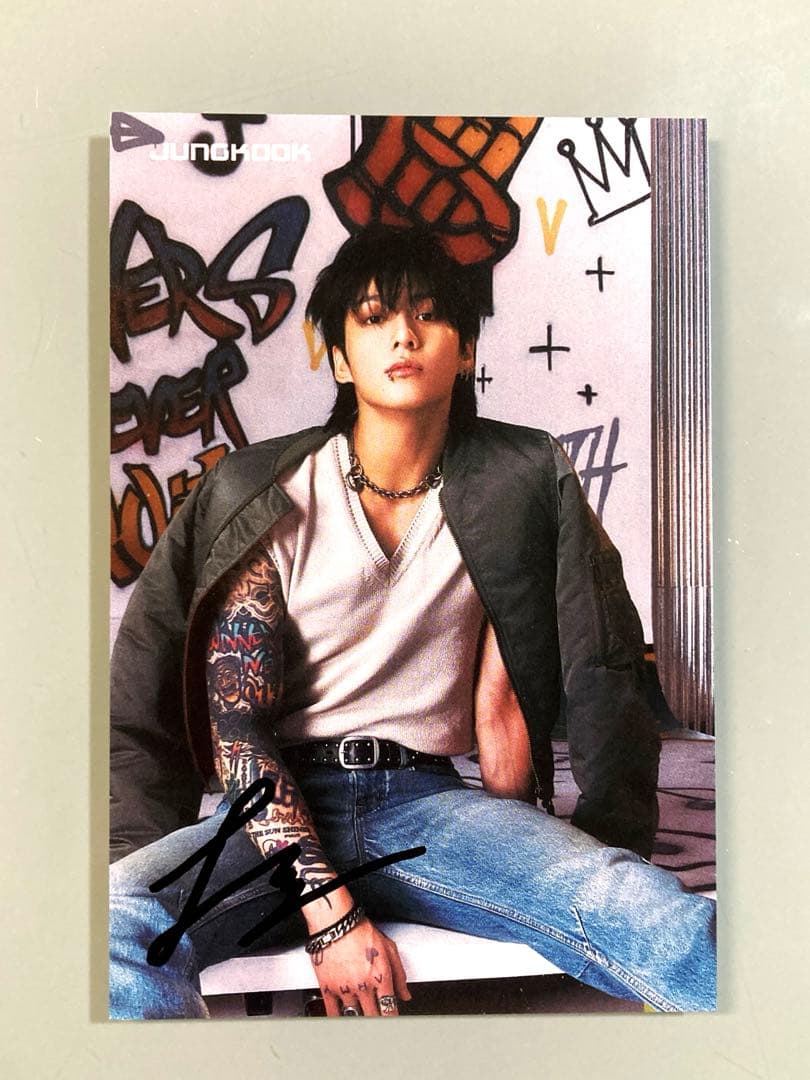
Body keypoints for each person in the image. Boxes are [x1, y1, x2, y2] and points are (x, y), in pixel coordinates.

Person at [109, 224, 716, 1019]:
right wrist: (331, 915)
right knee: (114, 922)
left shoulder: (512, 485)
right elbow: (239, 731)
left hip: (429, 804)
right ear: (339, 357)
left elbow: (524, 692)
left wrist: (555, 850)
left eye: (429, 315)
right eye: (373, 318)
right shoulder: (268, 493)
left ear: (466, 351)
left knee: (648, 912)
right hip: (273, 817)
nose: (404, 334)